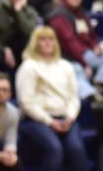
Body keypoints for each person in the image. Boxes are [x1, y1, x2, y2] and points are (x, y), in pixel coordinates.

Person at [14, 26, 86, 171]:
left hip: (65, 118)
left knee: (77, 149)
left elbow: (74, 97)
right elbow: (26, 102)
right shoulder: (28, 67)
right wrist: (50, 121)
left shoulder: (66, 66)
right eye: (42, 39)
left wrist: (70, 117)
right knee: (54, 148)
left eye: (51, 39)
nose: (47, 43)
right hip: (36, 120)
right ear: (35, 43)